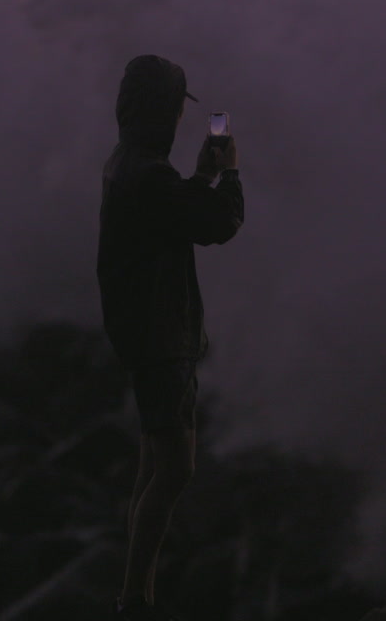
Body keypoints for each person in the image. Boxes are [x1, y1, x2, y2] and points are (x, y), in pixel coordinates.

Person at [97, 54, 244, 621]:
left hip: (139, 332)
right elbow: (217, 224)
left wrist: (201, 177)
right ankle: (135, 598)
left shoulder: (125, 162)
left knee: (151, 462)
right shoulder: (150, 175)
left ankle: (137, 591)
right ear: (163, 112)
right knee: (176, 469)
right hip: (161, 337)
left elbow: (172, 213)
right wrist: (229, 173)